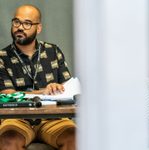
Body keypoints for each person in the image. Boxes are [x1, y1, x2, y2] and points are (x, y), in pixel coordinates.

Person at [0, 4, 76, 150]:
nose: (20, 27)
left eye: (27, 23)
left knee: (75, 138)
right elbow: (7, 95)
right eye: (16, 22)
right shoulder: (2, 57)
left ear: (38, 28)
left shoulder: (53, 51)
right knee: (8, 141)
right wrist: (44, 92)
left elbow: (69, 90)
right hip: (16, 119)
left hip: (53, 118)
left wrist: (59, 88)